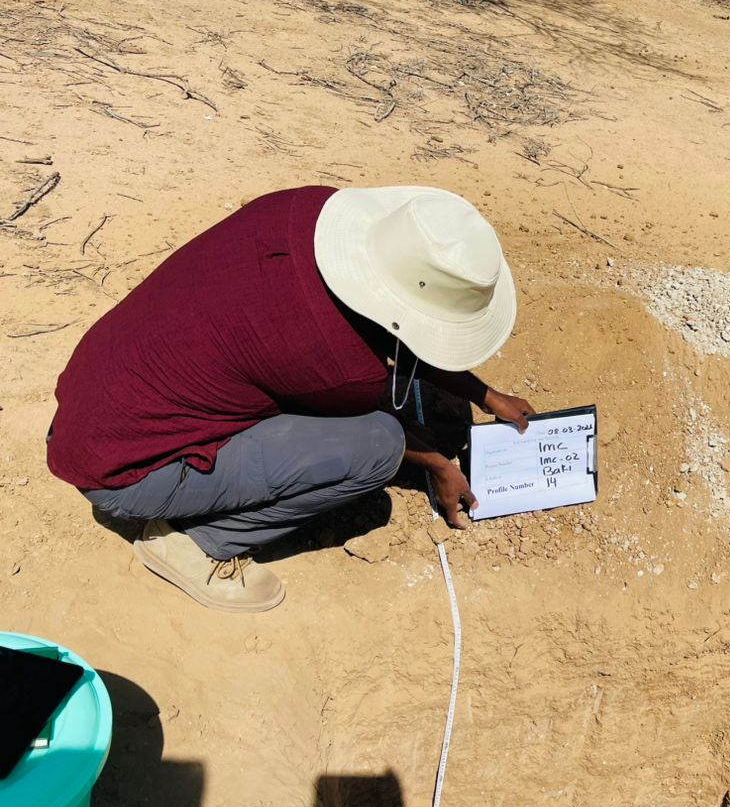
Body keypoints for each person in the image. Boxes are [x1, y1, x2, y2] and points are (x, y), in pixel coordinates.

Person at [46, 185, 534, 613]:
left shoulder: (304, 208)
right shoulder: (341, 367)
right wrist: (441, 467)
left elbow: (386, 319)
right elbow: (382, 359)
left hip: (93, 396)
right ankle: (198, 544)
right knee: (379, 442)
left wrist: (483, 393)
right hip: (125, 474)